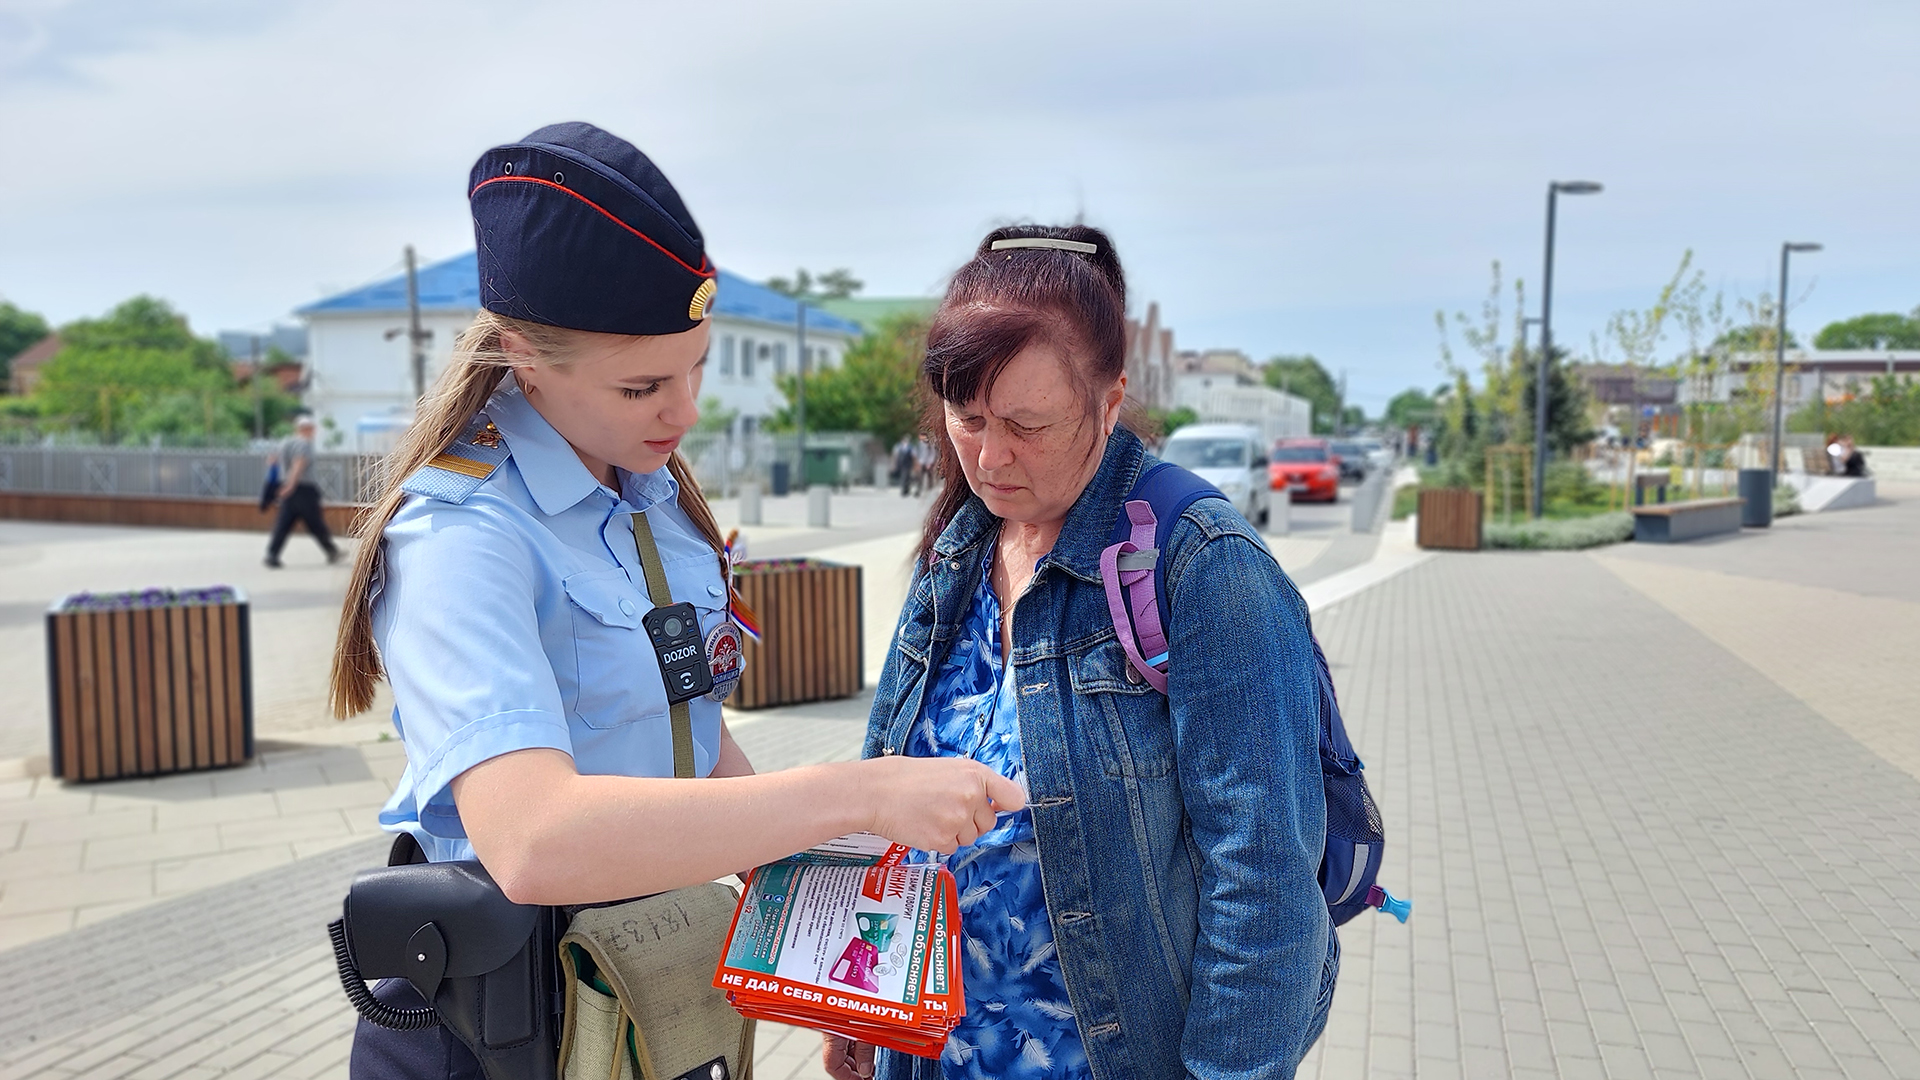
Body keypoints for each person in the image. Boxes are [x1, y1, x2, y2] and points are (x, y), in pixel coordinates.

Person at [329, 122, 1023, 1080]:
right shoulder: (463, 534)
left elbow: (693, 749)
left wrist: (843, 955)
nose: (685, 410)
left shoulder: (642, 494)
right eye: (645, 383)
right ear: (527, 356)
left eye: (697, 366)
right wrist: (853, 793)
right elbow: (534, 840)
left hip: (639, 994)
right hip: (508, 1024)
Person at [828, 225, 1337, 1080]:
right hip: (934, 1052)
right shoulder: (957, 551)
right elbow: (890, 777)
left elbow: (1264, 884)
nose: (991, 458)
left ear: (1109, 402)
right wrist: (858, 1001)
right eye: (969, 420)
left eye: (1029, 424)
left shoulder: (1203, 567)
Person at [265, 413, 341, 568]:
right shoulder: (304, 444)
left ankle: (272, 554)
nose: (314, 432)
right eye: (312, 429)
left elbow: (272, 460)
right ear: (305, 429)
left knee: (284, 523)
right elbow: (299, 464)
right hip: (302, 488)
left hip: (289, 486)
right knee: (314, 521)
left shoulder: (285, 443)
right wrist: (291, 486)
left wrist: (283, 484)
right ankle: (331, 550)